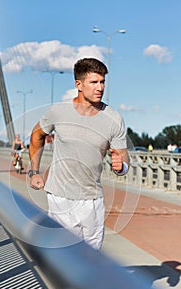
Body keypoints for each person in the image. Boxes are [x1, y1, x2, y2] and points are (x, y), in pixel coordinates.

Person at [29, 57, 130, 250]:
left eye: (102, 82)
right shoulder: (58, 112)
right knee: (64, 254)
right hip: (60, 196)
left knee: (92, 257)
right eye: (94, 82)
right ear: (79, 84)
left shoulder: (113, 118)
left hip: (92, 199)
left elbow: (123, 157)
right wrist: (34, 172)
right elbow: (36, 136)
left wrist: (121, 167)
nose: (99, 88)